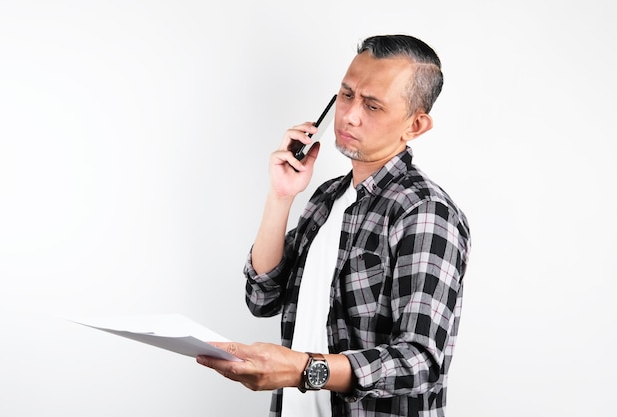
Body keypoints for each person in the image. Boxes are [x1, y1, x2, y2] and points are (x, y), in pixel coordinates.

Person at [197, 34, 471, 417]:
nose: (350, 115)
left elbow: (420, 361)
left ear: (415, 125)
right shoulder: (327, 198)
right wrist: (281, 196)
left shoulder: (424, 212)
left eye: (372, 105)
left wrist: (303, 369)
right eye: (346, 95)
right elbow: (262, 298)